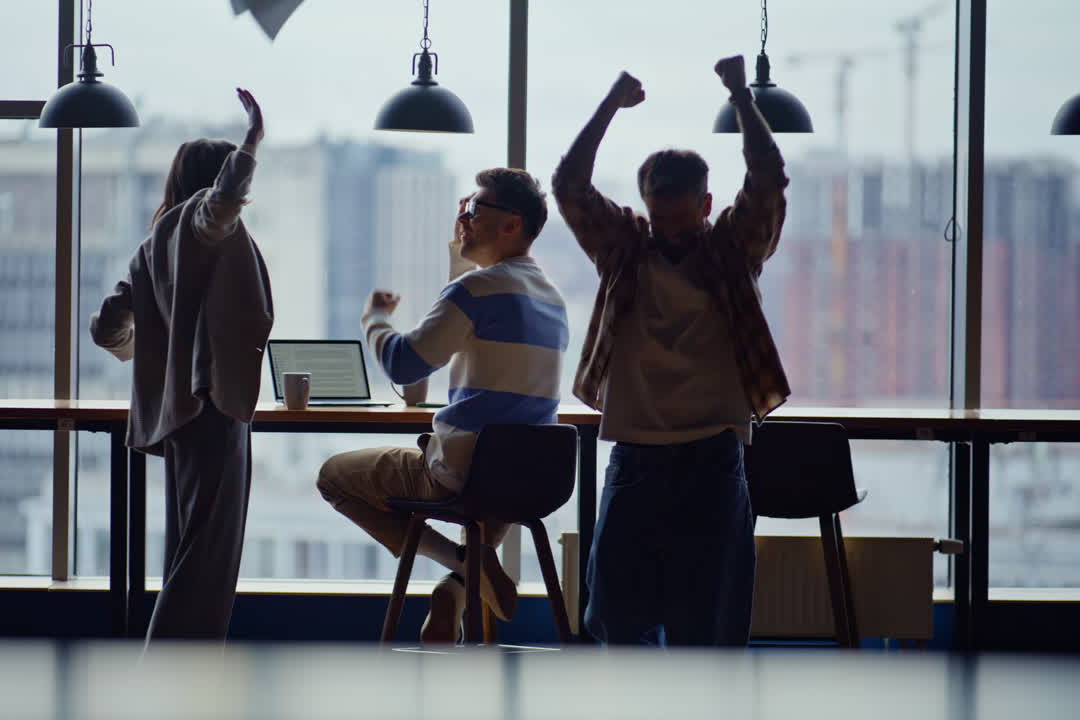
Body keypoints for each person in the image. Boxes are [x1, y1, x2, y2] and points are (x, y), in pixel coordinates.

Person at [553, 56, 791, 646]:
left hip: (712, 459)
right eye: (661, 221)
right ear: (646, 209)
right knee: (615, 621)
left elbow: (767, 180)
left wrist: (741, 93)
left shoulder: (732, 252)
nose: (672, 233)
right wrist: (610, 103)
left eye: (683, 221)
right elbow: (569, 187)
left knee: (706, 629)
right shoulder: (626, 249)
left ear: (707, 207)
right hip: (635, 457)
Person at [317, 168, 568, 644]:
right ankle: (456, 590)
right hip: (532, 479)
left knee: (334, 477)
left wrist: (374, 318)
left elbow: (405, 365)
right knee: (482, 503)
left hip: (465, 472)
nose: (464, 220)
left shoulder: (475, 292)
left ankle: (462, 564)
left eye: (474, 210)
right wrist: (463, 258)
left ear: (511, 223)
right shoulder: (552, 299)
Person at [90, 89, 274, 646]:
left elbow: (106, 328)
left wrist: (146, 354)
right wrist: (252, 141)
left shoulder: (153, 244)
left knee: (188, 551)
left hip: (180, 413)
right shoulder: (198, 225)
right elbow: (221, 205)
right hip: (214, 406)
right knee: (207, 562)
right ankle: (170, 679)